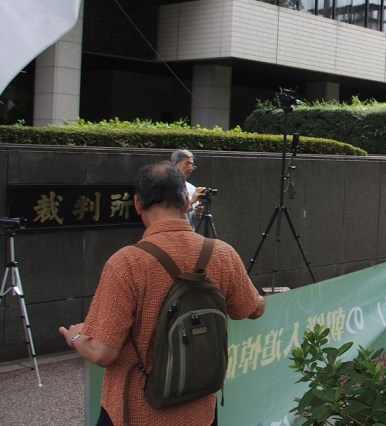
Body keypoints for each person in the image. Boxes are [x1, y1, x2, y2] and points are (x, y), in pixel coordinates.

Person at [58, 162, 265, 426]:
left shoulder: (127, 263)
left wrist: (76, 336)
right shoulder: (222, 254)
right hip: (200, 411)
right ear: (187, 202)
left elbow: (103, 353)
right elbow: (253, 309)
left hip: (136, 412)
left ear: (137, 204)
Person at [172, 149, 206, 223]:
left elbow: (192, 218)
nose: (190, 168)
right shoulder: (165, 186)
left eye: (192, 165)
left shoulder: (192, 188)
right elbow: (172, 212)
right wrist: (191, 202)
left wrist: (197, 213)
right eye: (187, 164)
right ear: (175, 164)